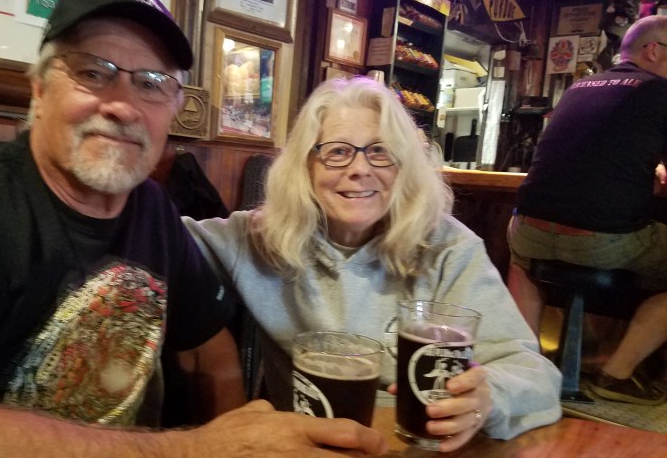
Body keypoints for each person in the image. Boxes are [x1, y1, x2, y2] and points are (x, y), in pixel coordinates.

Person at [0, 0, 389, 456]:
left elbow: (208, 349)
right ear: (39, 90)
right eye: (94, 73)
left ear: (174, 109)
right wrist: (195, 449)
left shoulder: (152, 209)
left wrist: (237, 439)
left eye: (151, 83)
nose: (123, 105)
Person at [184, 76, 562, 453]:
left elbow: (534, 374)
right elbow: (164, 239)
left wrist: (487, 397)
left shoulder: (447, 248)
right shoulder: (258, 239)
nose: (361, 169)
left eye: (380, 151)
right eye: (337, 152)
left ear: (403, 166)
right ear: (304, 166)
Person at [507, 14, 667, 406]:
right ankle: (617, 374)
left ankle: (522, 364)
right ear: (653, 50)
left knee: (523, 262)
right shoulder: (661, 91)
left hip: (525, 228)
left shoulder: (578, 88)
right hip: (604, 241)